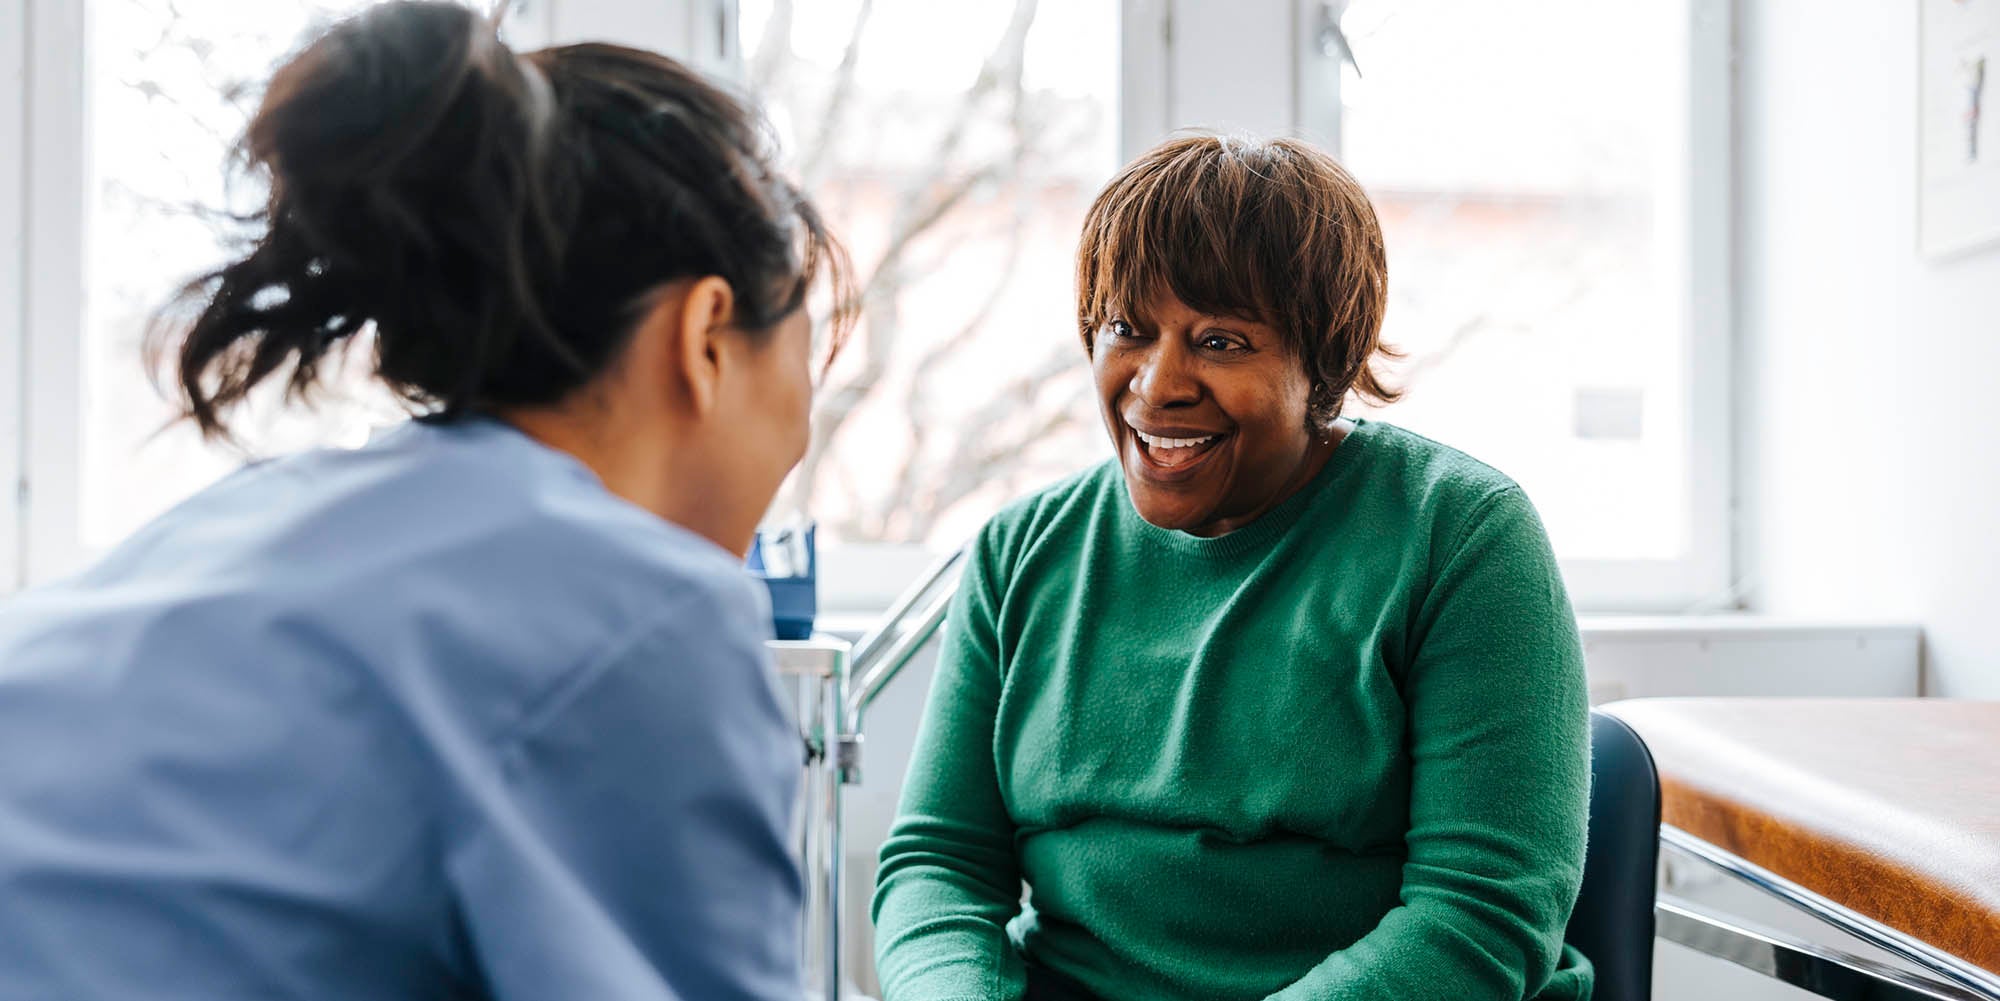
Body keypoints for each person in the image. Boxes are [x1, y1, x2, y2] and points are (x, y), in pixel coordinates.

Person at [0, 3, 851, 999]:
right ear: (705, 336)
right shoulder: (645, 609)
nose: (803, 417)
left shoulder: (245, 517)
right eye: (807, 343)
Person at [871, 134, 1593, 1001]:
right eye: (1126, 330)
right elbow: (938, 862)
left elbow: (1479, 916)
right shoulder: (1020, 550)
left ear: (1323, 365)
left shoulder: (1461, 535)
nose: (1156, 384)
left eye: (1219, 340)